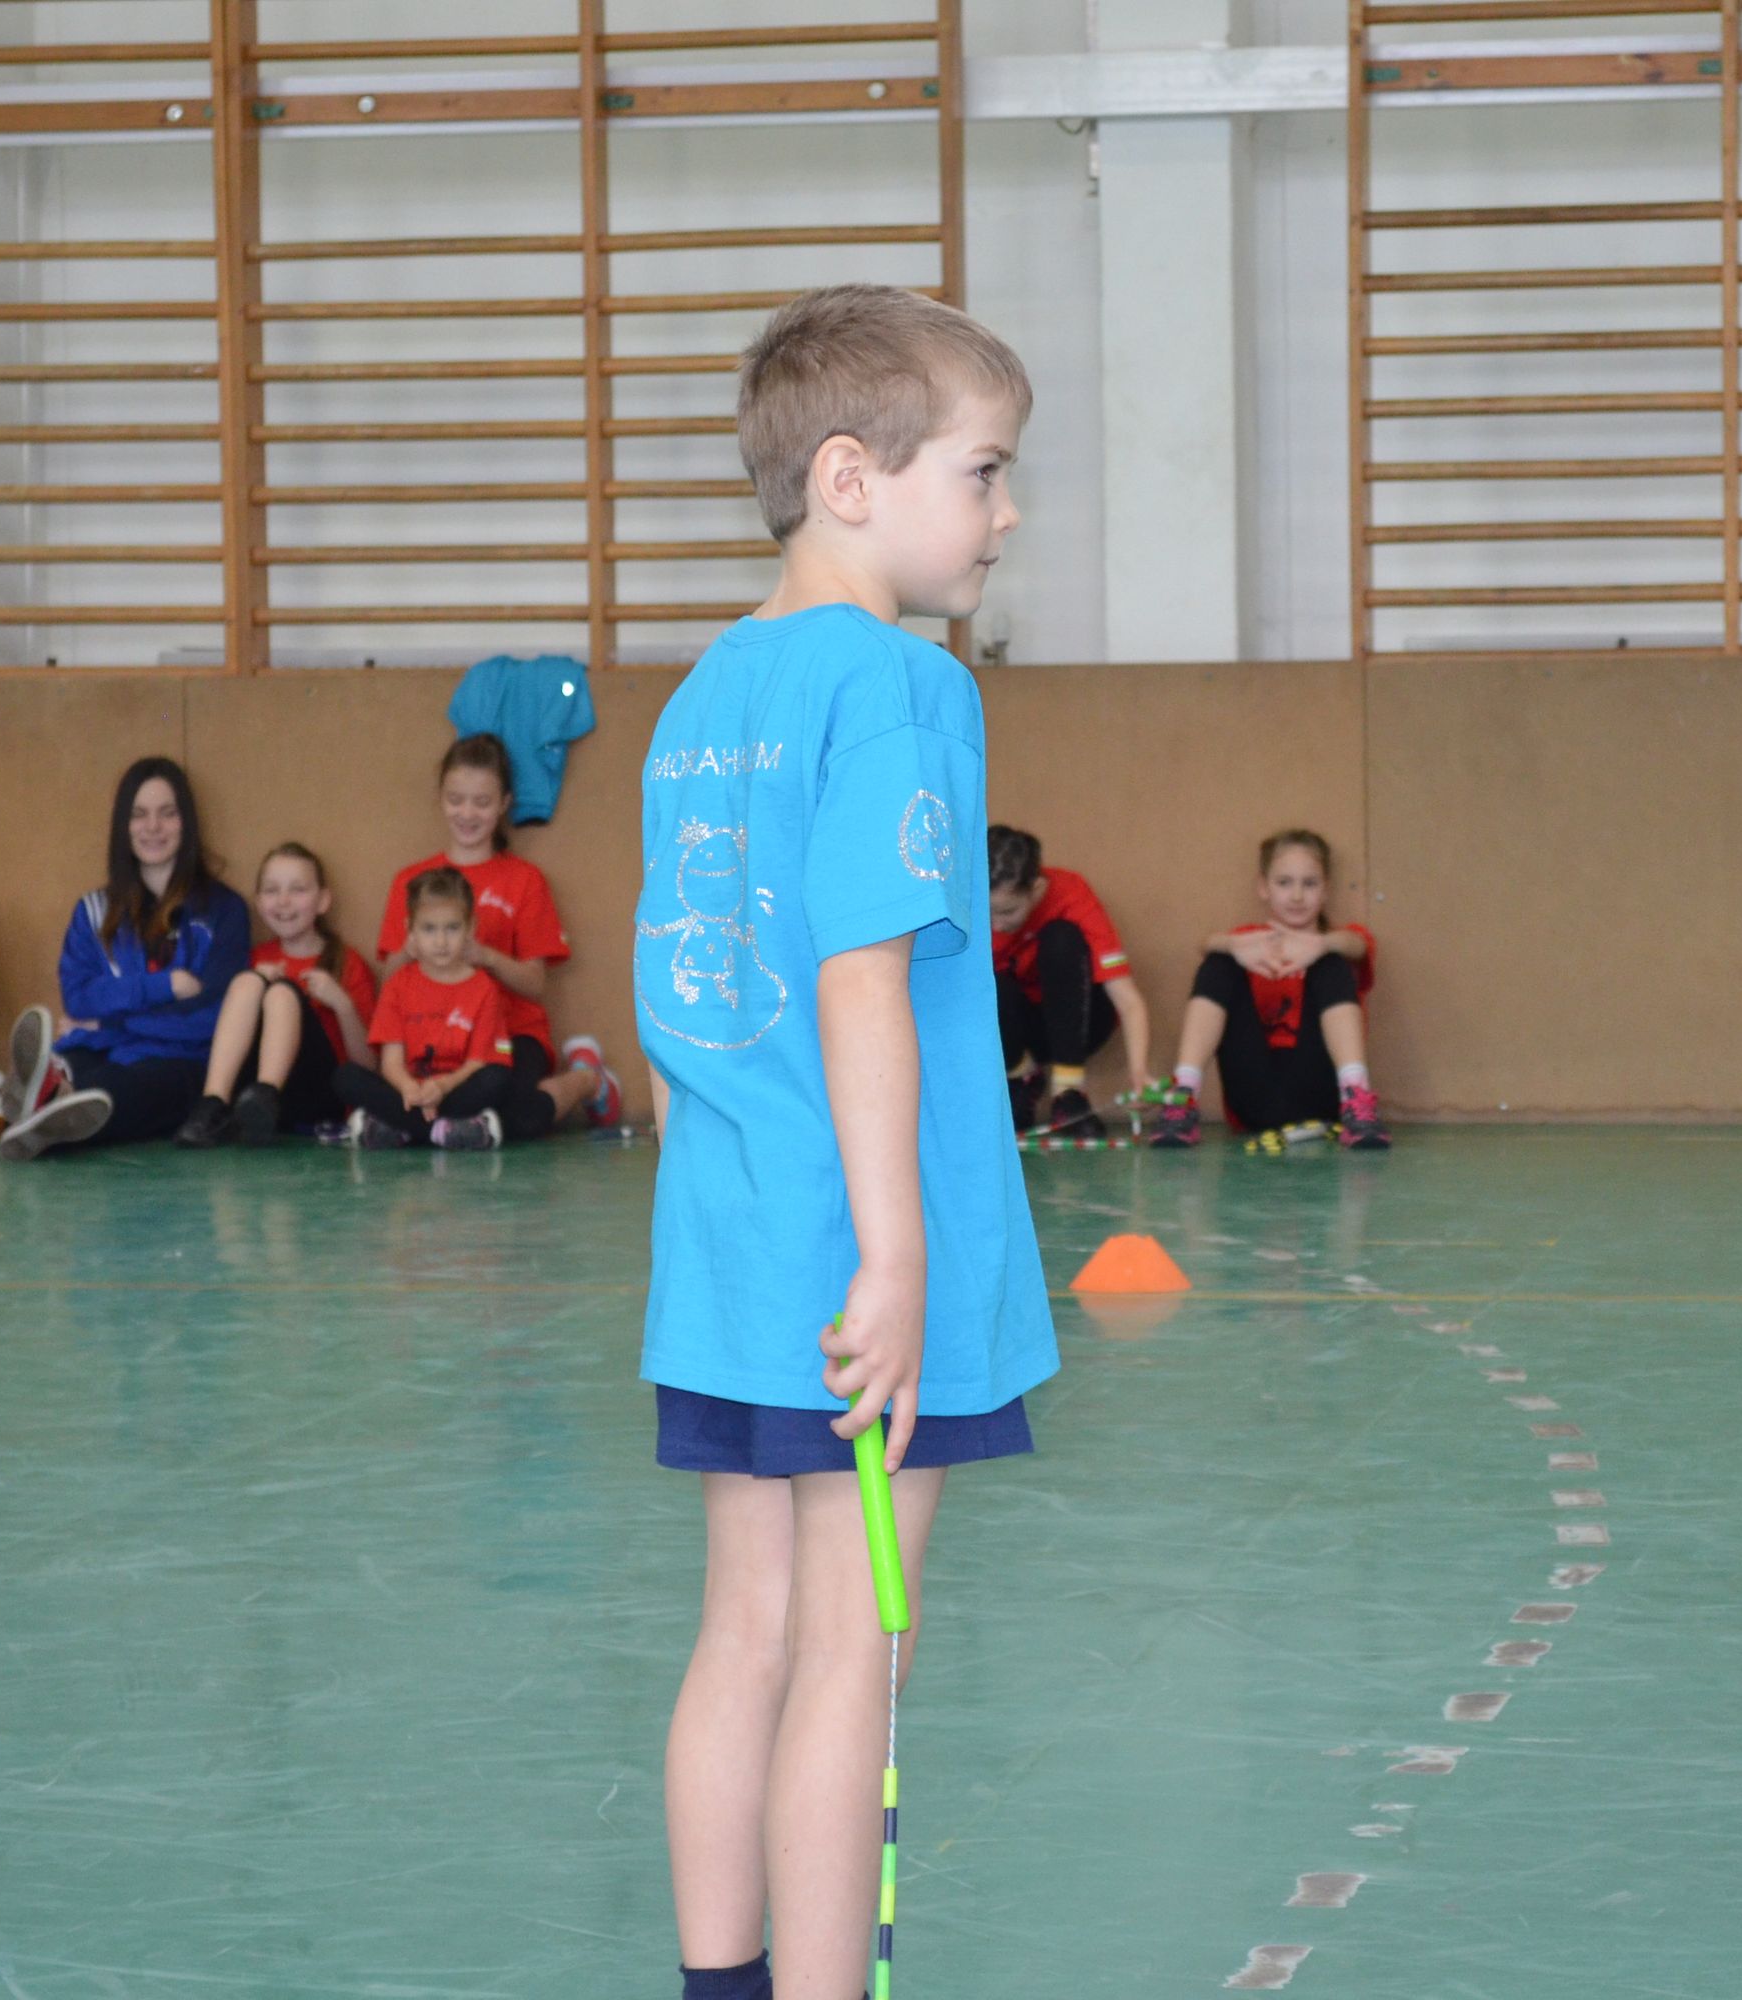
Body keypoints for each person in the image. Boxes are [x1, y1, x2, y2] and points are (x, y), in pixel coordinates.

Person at [632, 284, 1057, 2000]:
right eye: (984, 470)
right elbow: (860, 980)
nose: (1006, 513)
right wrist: (891, 1257)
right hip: (857, 1257)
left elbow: (679, 1006)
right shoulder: (899, 685)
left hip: (728, 1247)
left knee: (742, 1634)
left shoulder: (700, 697)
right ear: (849, 480)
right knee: (852, 1653)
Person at [0, 757, 250, 1162]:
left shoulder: (224, 910)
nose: (153, 827)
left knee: (109, 1093)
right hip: (102, 1045)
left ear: (186, 823)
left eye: (167, 814)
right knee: (73, 1066)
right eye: (139, 815)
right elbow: (79, 997)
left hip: (179, 1060)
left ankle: (50, 1114)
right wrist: (163, 987)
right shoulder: (93, 910)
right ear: (123, 826)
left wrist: (110, 1019)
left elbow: (216, 1017)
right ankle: (44, 1101)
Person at [376, 732, 620, 1138]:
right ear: (440, 798)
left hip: (510, 1034)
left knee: (516, 1118)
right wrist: (409, 949)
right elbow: (389, 983)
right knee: (426, 1105)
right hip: (430, 1037)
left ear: (505, 803)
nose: (467, 813)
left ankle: (586, 1078)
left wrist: (484, 956)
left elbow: (536, 984)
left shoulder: (525, 880)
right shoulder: (412, 881)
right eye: (456, 799)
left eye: (482, 802)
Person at [1151, 827, 1391, 1150]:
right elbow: (1206, 943)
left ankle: (1357, 1099)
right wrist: (1230, 944)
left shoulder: (1339, 940)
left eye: (1309, 884)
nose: (1297, 896)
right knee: (1220, 960)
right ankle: (1182, 1095)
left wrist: (1322, 944)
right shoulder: (1252, 941)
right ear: (1263, 887)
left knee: (1331, 960)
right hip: (1253, 1097)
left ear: (1325, 890)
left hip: (1320, 1096)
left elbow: (1358, 945)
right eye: (1284, 883)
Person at [174, 842, 377, 1149]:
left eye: (298, 890)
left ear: (323, 900)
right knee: (247, 982)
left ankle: (265, 1098)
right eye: (271, 890)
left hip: (318, 1096)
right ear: (258, 901)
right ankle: (212, 1104)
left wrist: (341, 1004)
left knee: (282, 993)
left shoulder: (346, 963)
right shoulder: (253, 958)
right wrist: (255, 982)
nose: (283, 901)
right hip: (247, 1089)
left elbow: (368, 1066)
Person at [336, 867, 518, 1151]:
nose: (441, 942)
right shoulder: (398, 985)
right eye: (429, 929)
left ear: (471, 928)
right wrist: (409, 1088)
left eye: (452, 928)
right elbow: (391, 1063)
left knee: (498, 1078)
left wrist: (443, 1087)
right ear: (410, 930)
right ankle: (446, 1131)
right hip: (408, 1092)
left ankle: (402, 1129)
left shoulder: (484, 988)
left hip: (455, 1090)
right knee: (346, 1077)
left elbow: (477, 1063)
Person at [986, 825, 1149, 1140]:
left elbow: (1127, 999)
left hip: (1081, 1021)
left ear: (1035, 889)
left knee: (1062, 938)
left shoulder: (1071, 893)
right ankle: (1021, 1076)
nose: (996, 925)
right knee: (985, 985)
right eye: (987, 912)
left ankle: (1069, 1091)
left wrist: (1139, 1073)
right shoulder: (970, 908)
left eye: (1007, 911)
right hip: (1019, 1030)